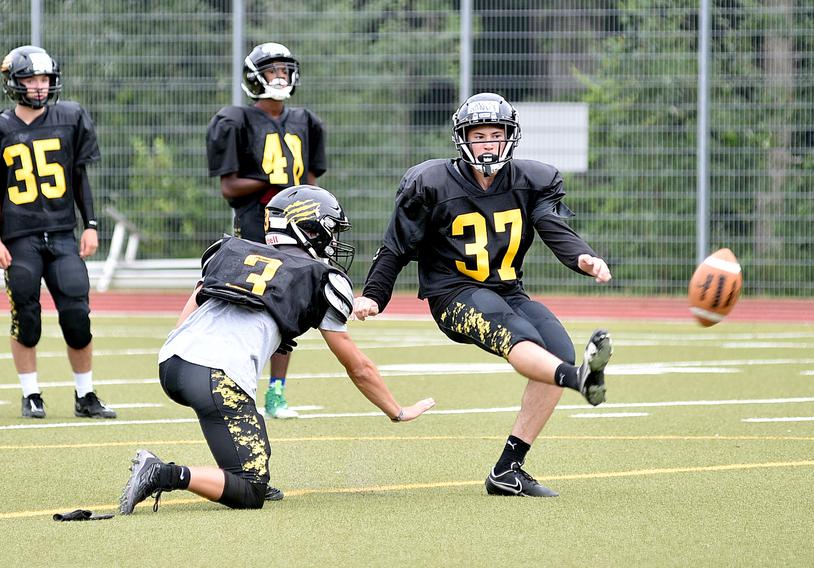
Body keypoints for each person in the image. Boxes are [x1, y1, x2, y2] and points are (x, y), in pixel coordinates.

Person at [352, 93, 614, 497]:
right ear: (463, 139)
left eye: (496, 134)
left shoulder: (533, 179)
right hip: (453, 294)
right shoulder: (430, 183)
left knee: (557, 349)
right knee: (516, 333)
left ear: (510, 137)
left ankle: (507, 470)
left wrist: (584, 257)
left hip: (508, 288)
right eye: (479, 135)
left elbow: (551, 226)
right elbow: (396, 246)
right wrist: (373, 295)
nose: (488, 143)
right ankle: (579, 380)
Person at [119, 185, 435, 514]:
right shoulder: (322, 278)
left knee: (251, 439)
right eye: (330, 231)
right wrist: (396, 411)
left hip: (172, 360)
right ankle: (164, 473)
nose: (335, 242)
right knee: (250, 490)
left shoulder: (230, 250)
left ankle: (239, 465)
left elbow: (192, 308)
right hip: (216, 376)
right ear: (310, 229)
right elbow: (359, 368)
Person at [0, 45, 116, 420]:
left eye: (44, 78)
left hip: (62, 233)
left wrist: (90, 225)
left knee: (77, 315)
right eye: (30, 79)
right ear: (13, 82)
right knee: (26, 318)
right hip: (19, 237)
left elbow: (79, 177)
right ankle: (31, 394)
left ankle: (85, 394)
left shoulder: (71, 117)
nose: (39, 86)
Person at [206, 42, 327, 420]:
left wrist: (313, 214)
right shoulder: (236, 121)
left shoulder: (306, 121)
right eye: (271, 70)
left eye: (284, 70)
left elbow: (308, 181)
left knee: (289, 307)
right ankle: (238, 384)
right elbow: (229, 188)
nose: (279, 77)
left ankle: (276, 393)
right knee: (248, 305)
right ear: (255, 77)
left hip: (294, 229)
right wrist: (270, 180)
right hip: (255, 224)